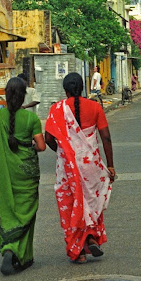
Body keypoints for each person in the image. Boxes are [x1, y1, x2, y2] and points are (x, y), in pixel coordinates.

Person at [45, 73, 116, 264]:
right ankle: (91, 236)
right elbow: (106, 138)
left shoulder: (57, 109)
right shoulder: (95, 107)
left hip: (67, 168)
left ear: (65, 90)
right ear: (83, 87)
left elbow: (48, 140)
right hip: (91, 166)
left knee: (71, 205)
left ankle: (79, 252)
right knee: (90, 203)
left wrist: (64, 152)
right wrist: (110, 165)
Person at [0, 77, 46, 275]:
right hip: (26, 173)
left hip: (4, 173)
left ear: (6, 94)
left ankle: (9, 248)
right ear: (24, 95)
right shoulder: (31, 119)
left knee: (8, 210)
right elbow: (42, 146)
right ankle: (21, 254)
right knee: (26, 211)